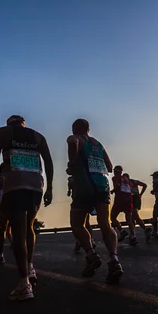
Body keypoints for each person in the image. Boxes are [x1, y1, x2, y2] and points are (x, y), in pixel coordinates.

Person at [0, 114, 54, 301]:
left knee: (17, 231)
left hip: (14, 184)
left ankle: (24, 284)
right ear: (24, 124)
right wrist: (49, 188)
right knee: (29, 227)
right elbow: (48, 162)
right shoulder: (38, 136)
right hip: (36, 185)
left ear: (9, 123)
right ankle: (30, 266)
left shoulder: (1, 133)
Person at [67, 118, 123, 284]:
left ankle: (91, 255)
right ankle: (114, 260)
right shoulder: (98, 144)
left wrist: (73, 162)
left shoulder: (75, 138)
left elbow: (72, 143)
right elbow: (110, 167)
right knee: (105, 224)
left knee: (77, 224)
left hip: (84, 187)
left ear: (74, 128)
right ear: (89, 129)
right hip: (102, 186)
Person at [110, 165, 137, 246]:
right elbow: (131, 189)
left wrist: (112, 191)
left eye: (115, 171)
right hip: (128, 199)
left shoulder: (115, 178)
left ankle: (122, 231)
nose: (114, 172)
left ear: (117, 171)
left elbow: (117, 186)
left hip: (120, 199)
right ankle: (133, 236)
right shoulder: (127, 179)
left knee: (113, 217)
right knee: (129, 219)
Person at [68, 176, 96, 252]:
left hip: (78, 201)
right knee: (86, 222)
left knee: (76, 223)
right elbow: (69, 192)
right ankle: (89, 240)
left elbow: (69, 192)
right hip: (83, 200)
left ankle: (80, 241)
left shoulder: (74, 179)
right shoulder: (83, 177)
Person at [126, 173, 152, 242]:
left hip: (134, 198)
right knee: (132, 218)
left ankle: (145, 229)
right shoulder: (134, 181)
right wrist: (140, 194)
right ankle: (133, 234)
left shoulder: (130, 182)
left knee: (134, 216)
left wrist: (141, 194)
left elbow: (145, 185)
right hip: (136, 198)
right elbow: (144, 185)